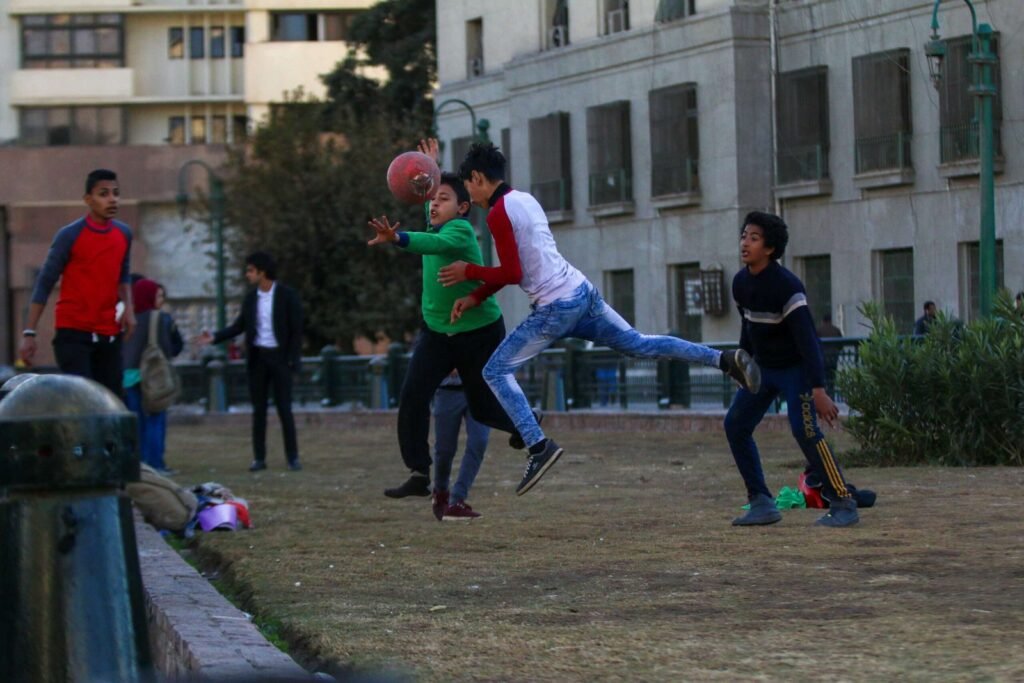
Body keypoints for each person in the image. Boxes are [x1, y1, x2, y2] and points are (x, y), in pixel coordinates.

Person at [439, 142, 761, 496]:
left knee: (494, 371)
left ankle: (537, 445)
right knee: (641, 343)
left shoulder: (498, 214)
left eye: (467, 185)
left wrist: (468, 271)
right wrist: (476, 296)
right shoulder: (524, 200)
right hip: (581, 292)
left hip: (554, 307)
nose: (467, 193)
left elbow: (514, 272)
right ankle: (723, 359)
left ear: (478, 178)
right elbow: (529, 265)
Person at [367, 142, 524, 500]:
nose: (434, 205)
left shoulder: (459, 232)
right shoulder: (436, 221)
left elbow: (427, 243)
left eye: (443, 200)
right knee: (412, 396)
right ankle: (419, 472)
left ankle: (526, 426)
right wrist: (430, 170)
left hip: (478, 331)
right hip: (437, 332)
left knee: (483, 405)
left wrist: (398, 238)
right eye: (432, 200)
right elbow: (428, 211)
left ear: (463, 208)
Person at [724, 211, 859, 528]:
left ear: (769, 248)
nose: (745, 242)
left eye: (754, 238)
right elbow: (749, 330)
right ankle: (761, 502)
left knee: (805, 430)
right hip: (763, 369)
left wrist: (819, 390)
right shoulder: (741, 283)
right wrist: (744, 367)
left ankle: (843, 502)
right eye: (744, 235)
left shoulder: (787, 287)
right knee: (736, 424)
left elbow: (809, 341)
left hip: (795, 369)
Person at [20, 168, 136, 396]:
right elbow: (44, 283)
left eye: (116, 193)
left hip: (109, 333)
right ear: (88, 199)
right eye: (103, 194)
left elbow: (123, 274)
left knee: (112, 403)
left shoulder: (123, 234)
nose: (112, 199)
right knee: (83, 400)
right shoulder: (69, 235)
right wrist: (29, 333)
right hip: (73, 333)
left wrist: (129, 309)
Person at [198, 252, 304, 472]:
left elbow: (296, 331)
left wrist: (294, 360)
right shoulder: (250, 298)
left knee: (285, 409)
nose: (247, 275)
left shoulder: (287, 295)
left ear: (262, 271)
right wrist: (215, 337)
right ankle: (259, 458)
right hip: (258, 359)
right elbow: (239, 327)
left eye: (250, 270)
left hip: (280, 359)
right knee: (259, 411)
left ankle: (293, 457)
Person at [122, 279, 184, 474]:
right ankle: (156, 463)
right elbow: (171, 347)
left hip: (129, 376)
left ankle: (138, 464)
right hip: (153, 375)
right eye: (158, 295)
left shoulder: (126, 318)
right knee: (156, 418)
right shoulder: (161, 319)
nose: (161, 300)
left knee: (135, 422)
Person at [431, 372, 490, 521]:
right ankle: (441, 492)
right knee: (445, 450)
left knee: (479, 442)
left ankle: (457, 500)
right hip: (448, 390)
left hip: (481, 390)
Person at [816, 312, 843, 392]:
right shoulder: (836, 330)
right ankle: (832, 395)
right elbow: (840, 345)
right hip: (833, 357)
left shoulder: (819, 330)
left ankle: (825, 393)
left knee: (824, 377)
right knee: (832, 377)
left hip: (822, 358)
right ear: (831, 320)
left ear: (823, 321)